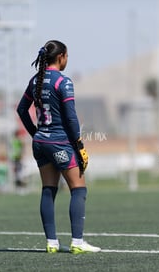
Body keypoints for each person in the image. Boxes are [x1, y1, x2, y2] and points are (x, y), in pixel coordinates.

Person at [17, 40, 100, 254]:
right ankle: (78, 242)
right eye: (67, 56)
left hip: (40, 143)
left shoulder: (35, 80)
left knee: (48, 189)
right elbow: (71, 118)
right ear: (61, 56)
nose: (67, 60)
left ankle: (52, 243)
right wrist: (79, 145)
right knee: (79, 189)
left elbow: (21, 109)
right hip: (59, 142)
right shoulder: (63, 82)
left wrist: (36, 134)